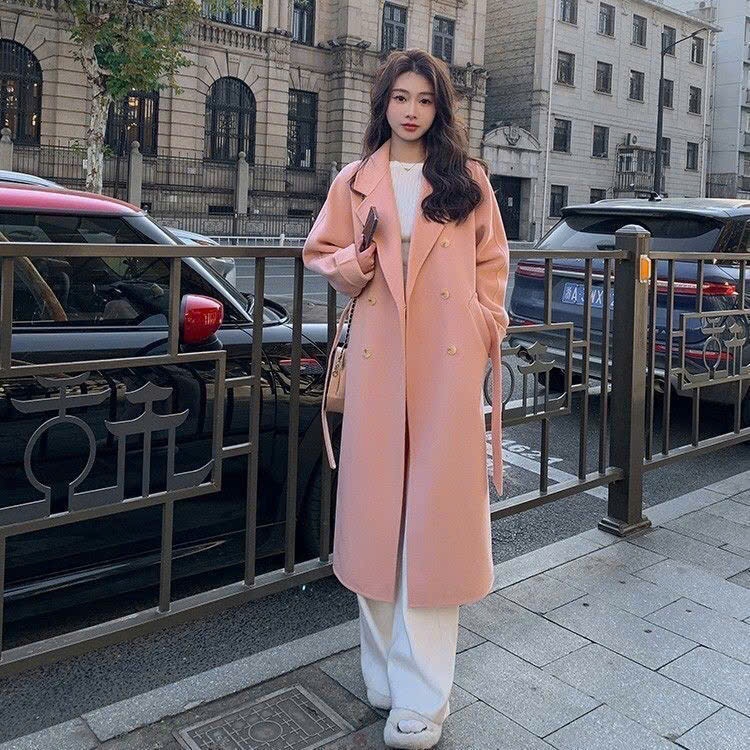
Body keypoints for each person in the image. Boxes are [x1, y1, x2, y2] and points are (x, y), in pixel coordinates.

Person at [302, 48, 509, 749]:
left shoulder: (467, 179)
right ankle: (386, 675)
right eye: (400, 97)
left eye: (424, 98)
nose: (411, 110)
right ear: (383, 103)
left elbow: (492, 264)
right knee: (374, 526)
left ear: (439, 107)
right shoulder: (355, 178)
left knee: (433, 528)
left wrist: (482, 325)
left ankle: (424, 696)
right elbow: (320, 253)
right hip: (379, 364)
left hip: (447, 366)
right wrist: (355, 261)